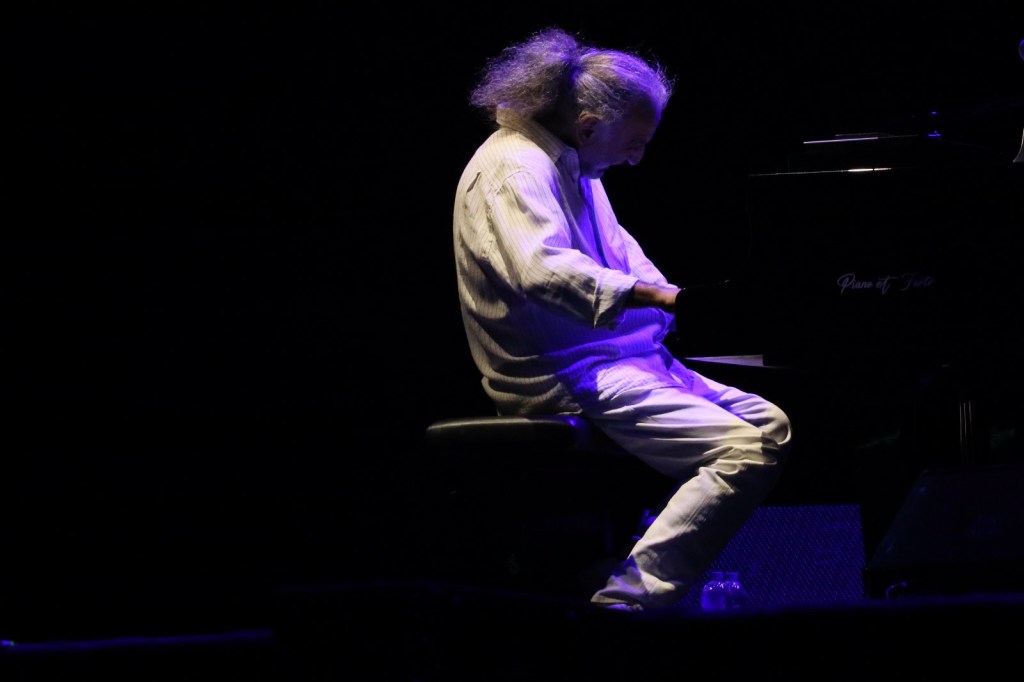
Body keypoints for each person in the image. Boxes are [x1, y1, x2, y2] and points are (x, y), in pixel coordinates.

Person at [452, 26, 793, 612]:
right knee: (745, 450)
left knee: (771, 426)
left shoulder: (572, 163)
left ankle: (638, 563)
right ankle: (624, 603)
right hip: (567, 373)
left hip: (620, 360)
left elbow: (621, 253)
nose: (637, 157)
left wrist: (680, 301)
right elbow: (541, 270)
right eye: (635, 142)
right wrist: (659, 300)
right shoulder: (513, 170)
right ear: (589, 125)